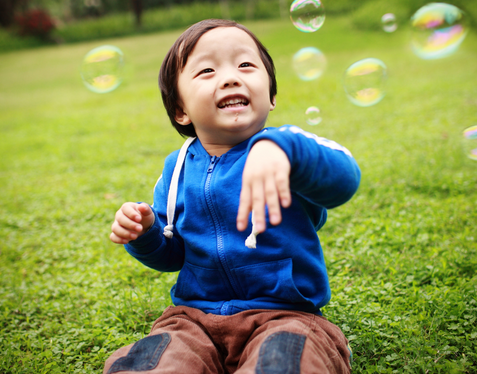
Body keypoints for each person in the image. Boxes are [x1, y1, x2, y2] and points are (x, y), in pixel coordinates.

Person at [105, 19, 361, 374]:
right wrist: (146, 233)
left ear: (271, 95)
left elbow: (345, 179)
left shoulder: (287, 152)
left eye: (245, 65)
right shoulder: (177, 167)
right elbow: (173, 254)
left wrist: (286, 150)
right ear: (181, 110)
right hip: (193, 319)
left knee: (288, 361)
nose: (230, 77)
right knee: (152, 363)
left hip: (285, 314)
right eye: (207, 70)